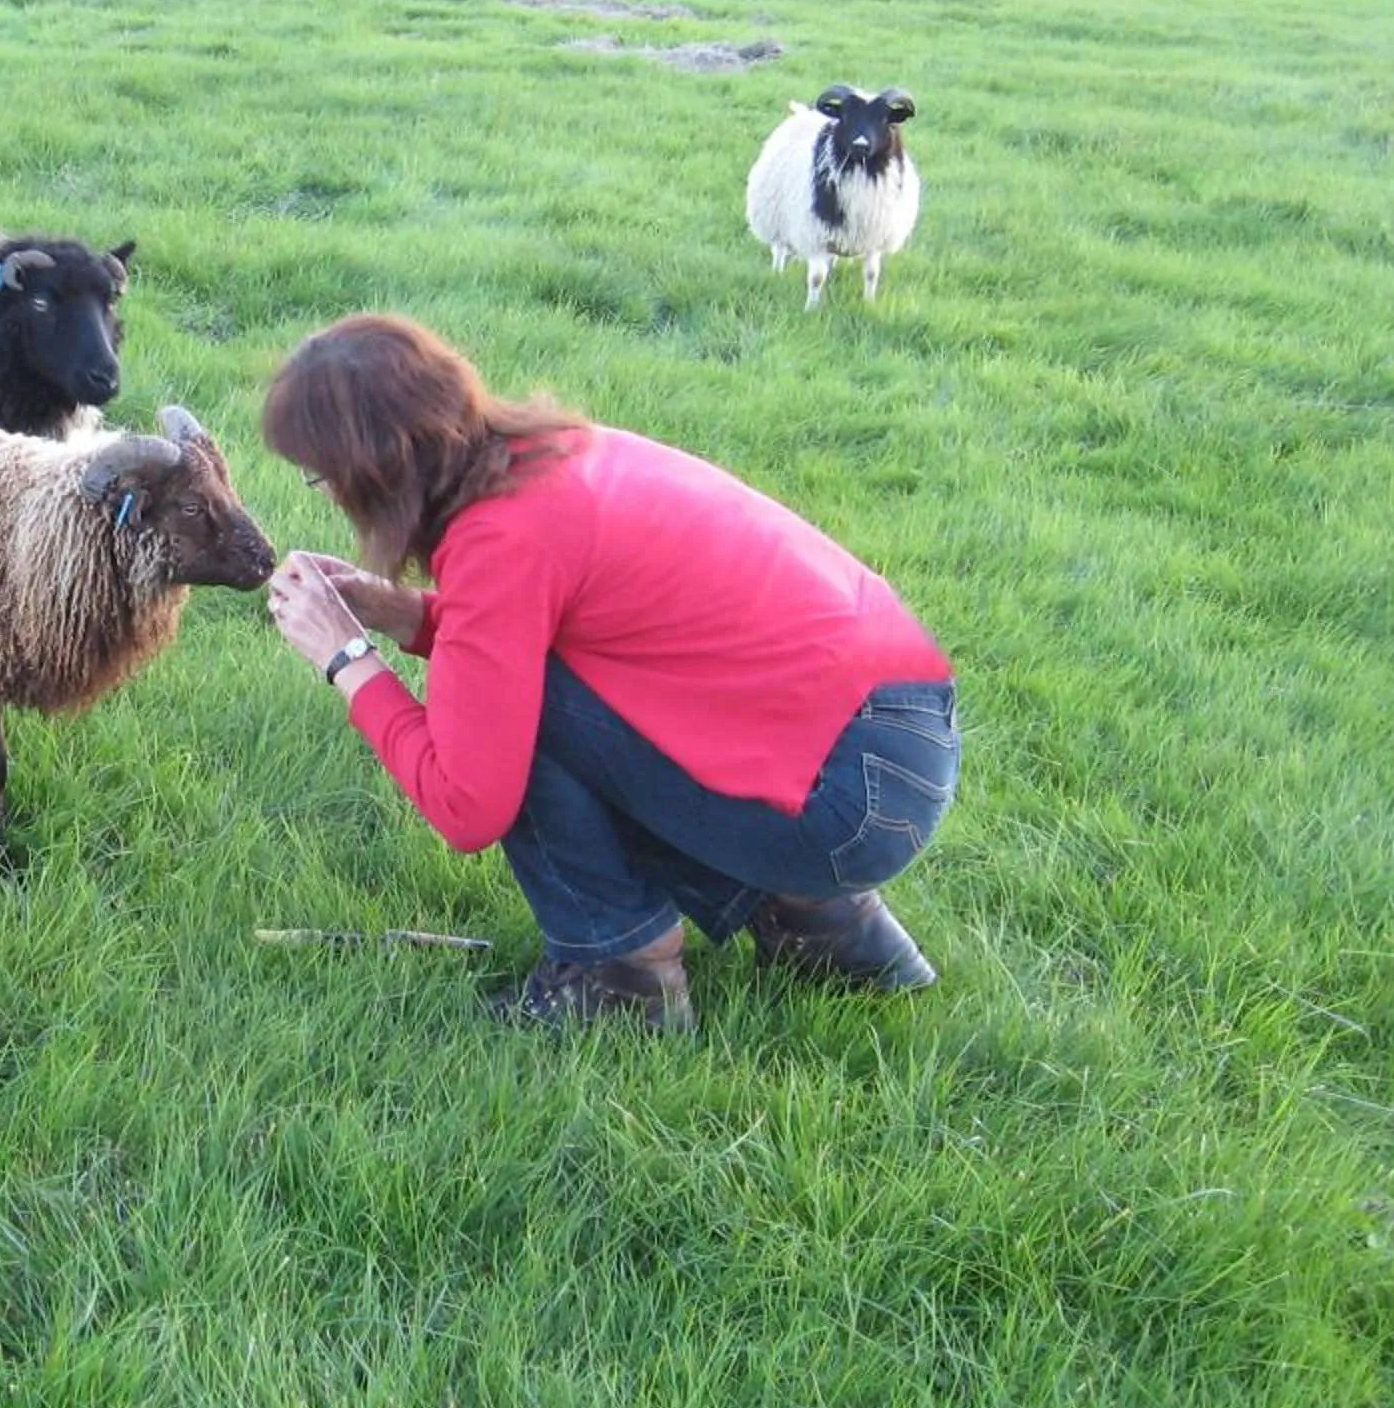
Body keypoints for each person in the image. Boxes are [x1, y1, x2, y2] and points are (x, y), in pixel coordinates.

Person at [259, 314, 958, 1032]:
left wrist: (348, 659)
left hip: (847, 803)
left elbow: (469, 803)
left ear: (374, 470)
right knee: (535, 684)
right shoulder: (556, 453)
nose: (326, 492)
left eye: (322, 474)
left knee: (510, 719)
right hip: (895, 744)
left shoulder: (502, 539)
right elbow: (591, 641)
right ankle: (823, 927)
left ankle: (620, 971)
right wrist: (406, 614)